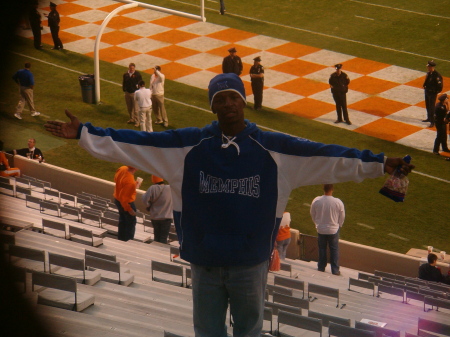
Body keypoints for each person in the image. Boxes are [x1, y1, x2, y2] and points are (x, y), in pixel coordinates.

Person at [44, 73, 414, 337]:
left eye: (233, 96)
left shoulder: (276, 149)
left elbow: (330, 156)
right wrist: (84, 133)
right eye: (219, 99)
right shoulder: (185, 147)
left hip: (251, 263)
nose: (228, 104)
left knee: (249, 331)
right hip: (204, 262)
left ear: (244, 100)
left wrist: (381, 162)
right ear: (213, 107)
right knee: (207, 331)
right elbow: (133, 142)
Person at [310, 184, 345, 276]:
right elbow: (342, 216)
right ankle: (335, 270)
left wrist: (317, 223)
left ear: (323, 189)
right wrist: (339, 225)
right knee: (334, 249)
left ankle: (321, 267)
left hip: (321, 229)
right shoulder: (338, 202)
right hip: (333, 229)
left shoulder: (317, 200)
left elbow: (312, 214)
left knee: (322, 248)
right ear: (332, 189)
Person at [142, 175, 173, 244]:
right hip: (166, 218)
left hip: (155, 217)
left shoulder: (152, 188)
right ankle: (160, 253)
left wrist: (149, 205)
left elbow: (145, 200)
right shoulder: (170, 188)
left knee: (156, 237)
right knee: (163, 238)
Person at [113, 166, 141, 241]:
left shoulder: (122, 168)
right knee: (130, 223)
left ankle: (121, 239)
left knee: (122, 220)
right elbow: (124, 199)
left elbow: (117, 180)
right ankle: (128, 241)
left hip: (117, 198)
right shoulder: (130, 182)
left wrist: (133, 186)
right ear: (135, 167)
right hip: (126, 203)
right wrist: (129, 209)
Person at [423, 60, 443, 128]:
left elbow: (440, 86)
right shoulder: (429, 73)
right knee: (427, 105)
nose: (427, 67)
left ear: (431, 67)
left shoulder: (436, 75)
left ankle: (432, 121)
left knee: (432, 107)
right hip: (427, 91)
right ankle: (429, 117)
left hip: (432, 93)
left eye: (428, 66)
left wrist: (435, 92)